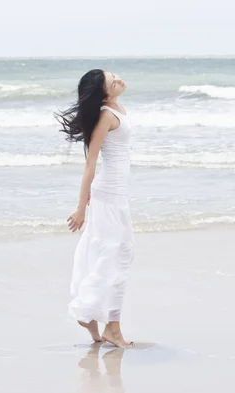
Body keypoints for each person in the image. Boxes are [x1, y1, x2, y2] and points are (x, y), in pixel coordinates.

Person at [55, 69, 134, 348]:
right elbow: (90, 164)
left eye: (115, 75)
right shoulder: (106, 116)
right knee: (114, 258)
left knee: (116, 256)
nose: (119, 80)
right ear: (104, 93)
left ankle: (98, 322)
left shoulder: (118, 109)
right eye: (112, 82)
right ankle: (101, 321)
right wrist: (81, 208)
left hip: (118, 195)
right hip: (108, 195)